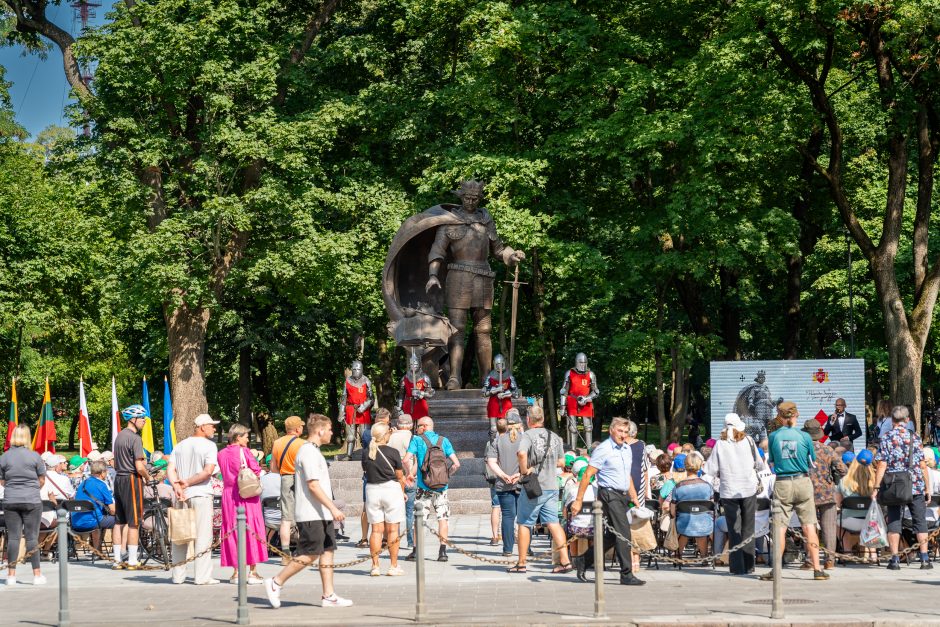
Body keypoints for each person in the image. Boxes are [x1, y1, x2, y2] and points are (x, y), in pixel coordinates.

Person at [424, 179, 525, 390]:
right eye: (467, 198)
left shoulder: (486, 220)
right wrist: (433, 274)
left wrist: (512, 255)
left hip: (482, 277)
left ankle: (486, 378)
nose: (471, 201)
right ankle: (454, 377)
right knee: (457, 329)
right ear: (461, 197)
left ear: (479, 199)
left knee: (484, 329)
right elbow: (437, 251)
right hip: (458, 277)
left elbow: (498, 249)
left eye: (475, 198)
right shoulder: (449, 221)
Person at [264, 414, 353, 609]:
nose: (331, 433)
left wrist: (329, 510)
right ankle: (276, 582)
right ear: (320, 431)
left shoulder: (313, 451)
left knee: (328, 551)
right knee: (310, 554)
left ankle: (329, 595)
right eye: (329, 429)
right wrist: (332, 507)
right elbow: (312, 485)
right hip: (311, 513)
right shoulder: (308, 452)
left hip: (321, 513)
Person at [570, 417, 644, 585]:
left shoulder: (627, 449)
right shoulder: (603, 449)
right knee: (624, 533)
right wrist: (578, 500)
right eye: (620, 431)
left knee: (611, 536)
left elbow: (627, 476)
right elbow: (588, 474)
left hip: (623, 495)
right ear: (611, 430)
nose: (623, 435)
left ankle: (583, 560)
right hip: (609, 495)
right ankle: (626, 574)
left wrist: (634, 496)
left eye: (626, 432)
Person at [759, 401, 827, 581]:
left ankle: (776, 570)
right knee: (809, 525)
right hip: (802, 481)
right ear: (796, 415)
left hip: (782, 482)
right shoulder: (804, 436)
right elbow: (811, 460)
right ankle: (817, 569)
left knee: (780, 527)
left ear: (779, 417)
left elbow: (771, 462)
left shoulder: (773, 436)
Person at [508, 405, 571, 574]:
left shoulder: (527, 435)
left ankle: (521, 563)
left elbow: (521, 453)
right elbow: (562, 463)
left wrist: (524, 470)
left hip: (534, 487)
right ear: (543, 419)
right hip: (551, 486)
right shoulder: (555, 437)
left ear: (528, 420)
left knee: (524, 523)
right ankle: (565, 560)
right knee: (554, 523)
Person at [873, 405, 932, 570]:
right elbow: (922, 465)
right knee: (920, 521)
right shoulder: (915, 438)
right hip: (915, 485)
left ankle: (894, 559)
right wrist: (927, 488)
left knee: (894, 521)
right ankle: (925, 558)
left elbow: (882, 464)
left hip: (893, 486)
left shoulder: (886, 438)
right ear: (907, 420)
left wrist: (876, 487)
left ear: (892, 420)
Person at [704, 413, 763, 575]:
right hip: (748, 488)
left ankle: (737, 567)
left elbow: (711, 469)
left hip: (729, 489)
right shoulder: (749, 441)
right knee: (748, 527)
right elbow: (759, 463)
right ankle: (749, 564)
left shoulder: (720, 444)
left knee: (734, 528)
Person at [166, 413, 220, 585]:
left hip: (181, 495)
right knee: (203, 536)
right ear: (203, 426)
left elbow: (170, 468)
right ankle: (202, 577)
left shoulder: (180, 445)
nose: (214, 428)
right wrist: (187, 483)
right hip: (200, 493)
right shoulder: (209, 446)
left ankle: (178, 575)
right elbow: (207, 471)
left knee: (180, 536)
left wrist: (176, 486)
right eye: (211, 425)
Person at [216, 422, 268, 583]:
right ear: (238, 437)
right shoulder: (244, 452)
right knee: (251, 529)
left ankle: (236, 572)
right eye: (246, 436)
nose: (248, 439)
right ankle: (252, 571)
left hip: (228, 495)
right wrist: (257, 457)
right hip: (246, 494)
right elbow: (257, 471)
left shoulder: (221, 453)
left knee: (231, 531)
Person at [403, 416, 460, 562]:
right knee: (443, 518)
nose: (417, 428)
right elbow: (456, 464)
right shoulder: (444, 440)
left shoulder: (417, 440)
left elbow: (405, 459)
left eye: (418, 426)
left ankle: (416, 551)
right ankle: (442, 552)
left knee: (419, 518)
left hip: (424, 487)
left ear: (424, 426)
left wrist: (409, 474)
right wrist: (447, 475)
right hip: (442, 487)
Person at [0, 425, 47, 585]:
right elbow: (42, 480)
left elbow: (2, 481)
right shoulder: (35, 456)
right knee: (32, 537)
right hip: (31, 500)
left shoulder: (4, 457)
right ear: (27, 437)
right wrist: (32, 488)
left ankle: (11, 576)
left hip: (11, 500)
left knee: (13, 537)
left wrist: (14, 488)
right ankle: (37, 575)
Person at [361, 422, 406, 576]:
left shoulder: (366, 452)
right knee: (393, 529)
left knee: (376, 530)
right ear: (385, 435)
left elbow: (366, 470)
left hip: (372, 490)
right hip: (390, 489)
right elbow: (399, 476)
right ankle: (393, 566)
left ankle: (375, 566)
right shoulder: (393, 452)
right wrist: (403, 492)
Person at [112, 404, 153, 570]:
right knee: (134, 521)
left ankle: (116, 560)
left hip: (118, 478)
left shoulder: (119, 436)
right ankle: (132, 560)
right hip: (131, 479)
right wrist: (148, 477)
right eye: (142, 418)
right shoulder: (135, 438)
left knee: (119, 520)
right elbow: (139, 466)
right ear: (133, 419)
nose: (144, 421)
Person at [802, 419, 846, 569]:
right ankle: (829, 561)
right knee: (829, 528)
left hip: (807, 493)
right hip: (827, 493)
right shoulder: (828, 449)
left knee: (809, 528)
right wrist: (834, 478)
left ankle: (809, 561)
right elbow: (843, 469)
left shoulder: (802, 450)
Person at [486, 410, 524, 556]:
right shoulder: (525, 439)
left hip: (503, 484)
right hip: (522, 483)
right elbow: (533, 462)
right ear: (520, 423)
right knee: (524, 516)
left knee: (508, 516)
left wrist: (503, 475)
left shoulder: (498, 440)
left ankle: (507, 549)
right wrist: (518, 474)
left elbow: (491, 461)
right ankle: (526, 548)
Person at [271, 415, 306, 562]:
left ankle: (285, 554)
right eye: (302, 426)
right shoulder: (303, 444)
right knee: (304, 515)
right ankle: (302, 550)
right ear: (297, 428)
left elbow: (273, 468)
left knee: (286, 518)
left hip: (285, 478)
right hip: (301, 479)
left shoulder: (277, 442)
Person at [670, 451, 714, 559]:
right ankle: (704, 556)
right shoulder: (707, 486)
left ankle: (678, 555)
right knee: (701, 528)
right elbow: (712, 505)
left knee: (685, 530)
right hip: (704, 523)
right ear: (699, 466)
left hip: (684, 524)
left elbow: (672, 510)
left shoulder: (679, 486)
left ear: (686, 466)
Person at [837, 449, 876, 554]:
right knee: (873, 519)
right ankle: (873, 554)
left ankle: (847, 550)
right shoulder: (875, 483)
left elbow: (837, 504)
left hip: (848, 521)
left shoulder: (844, 482)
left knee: (836, 523)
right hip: (869, 522)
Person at [71, 460, 116, 551]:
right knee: (120, 521)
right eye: (106, 471)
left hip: (75, 522)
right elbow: (113, 510)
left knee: (98, 516)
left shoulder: (83, 484)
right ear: (102, 473)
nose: (107, 473)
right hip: (93, 522)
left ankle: (97, 551)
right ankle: (118, 551)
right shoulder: (102, 485)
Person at [560, 352, 600, 449]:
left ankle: (589, 449)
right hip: (572, 402)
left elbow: (596, 391)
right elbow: (564, 391)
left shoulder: (591, 374)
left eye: (584, 362)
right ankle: (573, 449)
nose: (583, 365)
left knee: (588, 427)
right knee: (573, 428)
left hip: (586, 402)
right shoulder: (569, 373)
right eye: (581, 362)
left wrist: (586, 399)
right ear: (577, 362)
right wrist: (562, 407)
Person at [388, 413, 416, 548]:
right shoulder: (412, 438)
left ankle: (395, 541)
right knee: (410, 511)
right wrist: (411, 473)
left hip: (392, 478)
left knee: (394, 512)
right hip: (409, 476)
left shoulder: (390, 437)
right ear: (410, 425)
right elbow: (415, 458)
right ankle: (411, 542)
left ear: (398, 424)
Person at [341, 360, 375, 457]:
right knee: (350, 436)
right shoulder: (347, 381)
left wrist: (364, 406)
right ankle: (349, 455)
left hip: (363, 411)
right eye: (354, 369)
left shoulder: (366, 381)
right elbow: (344, 397)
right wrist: (341, 411)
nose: (356, 371)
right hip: (351, 410)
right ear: (352, 369)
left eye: (358, 369)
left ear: (362, 370)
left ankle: (367, 455)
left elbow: (371, 398)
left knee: (365, 435)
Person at [482, 354, 519, 440]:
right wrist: (495, 390)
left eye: (501, 364)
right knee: (493, 428)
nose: (499, 366)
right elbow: (484, 392)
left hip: (506, 405)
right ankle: (493, 446)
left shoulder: (509, 376)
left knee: (508, 427)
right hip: (494, 405)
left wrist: (505, 394)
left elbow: (517, 393)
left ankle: (507, 446)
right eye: (497, 364)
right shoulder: (490, 376)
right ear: (494, 364)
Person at [398, 352, 434, 420]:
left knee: (422, 425)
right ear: (409, 365)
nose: (413, 366)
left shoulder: (425, 377)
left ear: (419, 364)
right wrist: (399, 408)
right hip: (408, 404)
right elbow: (401, 395)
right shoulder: (404, 378)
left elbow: (431, 393)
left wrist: (421, 393)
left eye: (415, 364)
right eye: (412, 364)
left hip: (421, 405)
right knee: (407, 425)